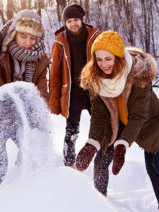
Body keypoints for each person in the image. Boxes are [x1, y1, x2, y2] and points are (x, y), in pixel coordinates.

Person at [76, 30, 159, 212]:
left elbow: (139, 116)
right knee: (101, 158)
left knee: (153, 166)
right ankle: (99, 206)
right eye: (99, 59)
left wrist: (122, 145)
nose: (103, 64)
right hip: (118, 121)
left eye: (108, 59)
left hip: (150, 122)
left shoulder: (138, 76)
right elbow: (99, 116)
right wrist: (91, 143)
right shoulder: (95, 78)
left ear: (118, 58)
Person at [0, 9, 49, 207]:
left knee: (31, 160)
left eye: (33, 38)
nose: (28, 42)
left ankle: (23, 208)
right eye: (23, 36)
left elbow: (41, 93)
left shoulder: (41, 60)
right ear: (13, 33)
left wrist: (39, 121)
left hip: (24, 118)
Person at [48, 3, 101, 168]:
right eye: (69, 21)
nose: (73, 24)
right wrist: (54, 103)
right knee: (71, 129)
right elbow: (55, 74)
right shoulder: (60, 42)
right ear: (65, 23)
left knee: (101, 124)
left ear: (82, 20)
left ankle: (103, 158)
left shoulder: (95, 36)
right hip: (73, 91)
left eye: (76, 19)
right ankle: (68, 162)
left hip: (94, 89)